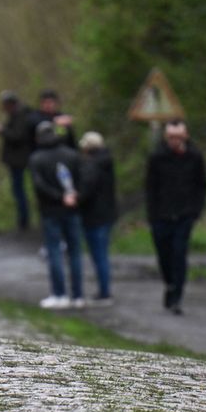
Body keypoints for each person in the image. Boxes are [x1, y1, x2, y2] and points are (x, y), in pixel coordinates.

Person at [146, 120, 206, 315]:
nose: (174, 141)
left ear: (185, 137)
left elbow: (201, 185)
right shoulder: (157, 157)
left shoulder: (194, 157)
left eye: (178, 137)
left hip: (184, 214)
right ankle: (170, 284)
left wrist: (195, 211)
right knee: (164, 255)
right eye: (171, 137)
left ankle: (177, 297)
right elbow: (150, 187)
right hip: (161, 215)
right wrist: (152, 214)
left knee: (179, 253)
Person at [29, 121, 86, 309]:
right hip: (72, 208)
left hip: (51, 210)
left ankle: (60, 294)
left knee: (54, 252)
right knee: (75, 252)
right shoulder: (72, 154)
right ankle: (78, 295)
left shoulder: (37, 158)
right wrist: (73, 196)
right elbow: (82, 178)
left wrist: (59, 197)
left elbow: (40, 185)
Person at [0, 90, 37, 232]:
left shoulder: (21, 115)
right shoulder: (18, 114)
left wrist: (1, 130)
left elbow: (17, 136)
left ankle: (24, 222)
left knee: (20, 190)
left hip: (20, 159)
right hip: (20, 159)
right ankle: (24, 220)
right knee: (19, 190)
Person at [78, 131, 117, 306]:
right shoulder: (106, 161)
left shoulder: (92, 165)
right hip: (107, 214)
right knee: (102, 254)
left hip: (95, 215)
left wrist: (76, 199)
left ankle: (104, 291)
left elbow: (87, 190)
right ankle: (104, 289)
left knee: (99, 254)